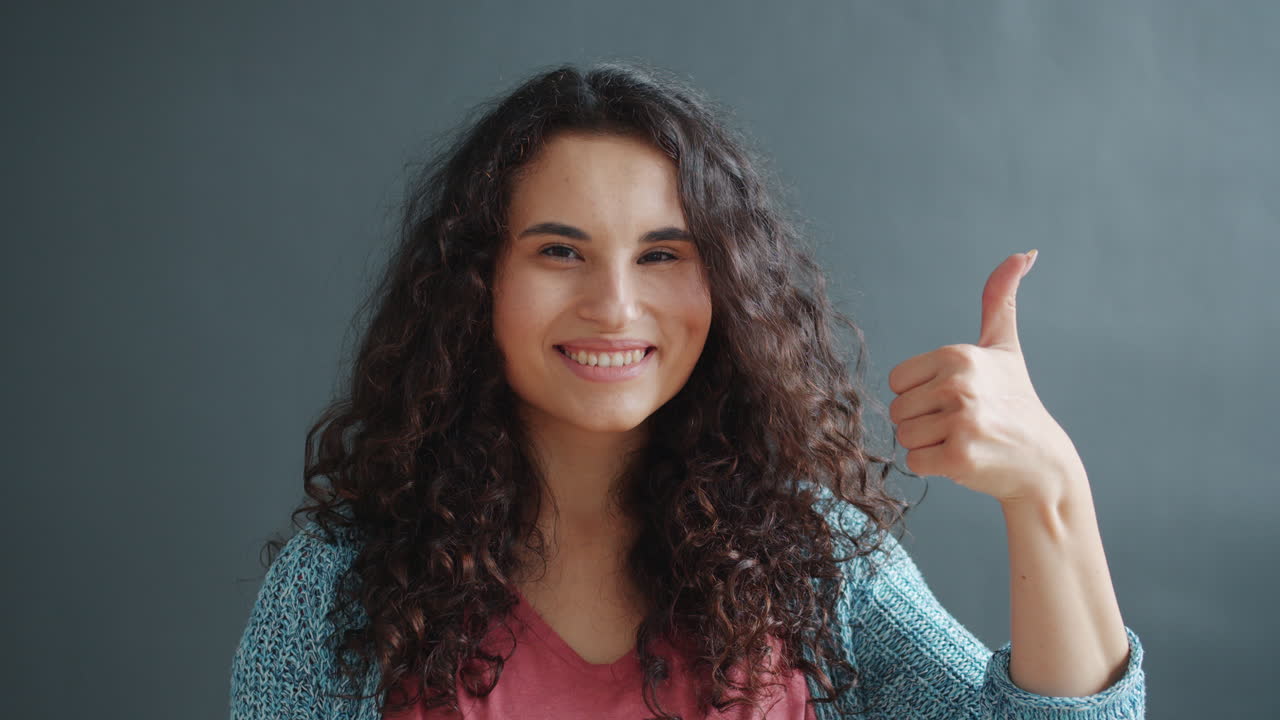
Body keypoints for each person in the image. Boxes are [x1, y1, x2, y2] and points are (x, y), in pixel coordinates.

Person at [230, 61, 1146, 720]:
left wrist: (1051, 493)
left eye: (663, 254)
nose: (614, 305)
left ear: (727, 287)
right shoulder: (339, 586)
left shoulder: (817, 565)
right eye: (559, 251)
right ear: (475, 286)